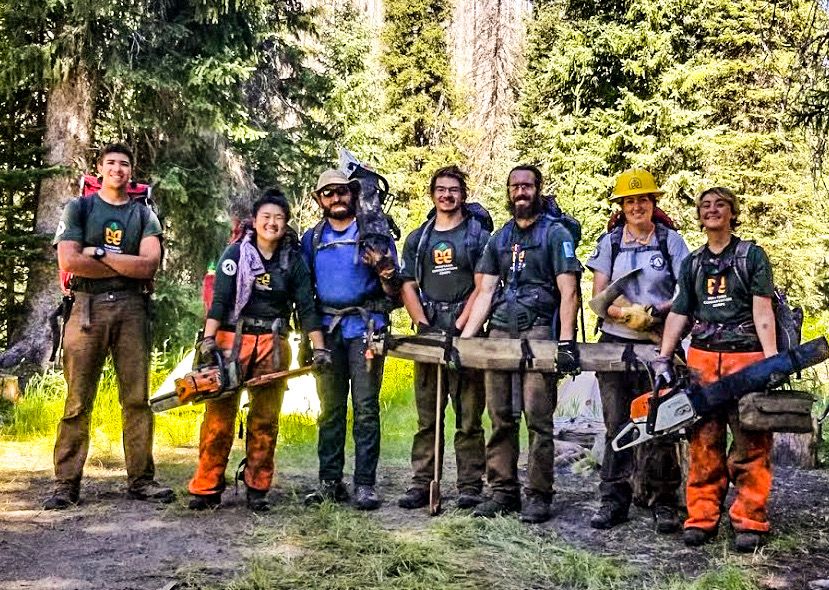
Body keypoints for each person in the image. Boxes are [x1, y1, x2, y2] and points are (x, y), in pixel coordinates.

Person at [46, 143, 173, 509]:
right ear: (100, 168)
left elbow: (148, 266)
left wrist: (99, 253)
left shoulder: (143, 214)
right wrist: (122, 261)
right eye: (112, 162)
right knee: (77, 400)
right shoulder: (79, 208)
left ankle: (141, 481)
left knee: (136, 399)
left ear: (131, 172)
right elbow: (70, 260)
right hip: (85, 307)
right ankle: (65, 484)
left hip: (133, 308)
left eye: (125, 164)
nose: (118, 168)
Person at [188, 190, 327, 512]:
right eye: (266, 216)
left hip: (272, 344)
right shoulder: (234, 255)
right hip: (229, 342)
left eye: (279, 218)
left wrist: (319, 349)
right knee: (218, 418)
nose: (272, 223)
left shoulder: (293, 262)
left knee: (265, 420)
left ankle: (257, 488)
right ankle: (206, 487)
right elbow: (219, 302)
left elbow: (307, 308)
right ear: (255, 220)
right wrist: (208, 342)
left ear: (286, 223)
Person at [656, 187, 777, 553]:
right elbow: (680, 311)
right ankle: (702, 518)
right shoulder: (692, 263)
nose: (712, 211)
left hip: (747, 361)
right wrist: (664, 356)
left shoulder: (751, 256)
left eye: (720, 205)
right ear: (699, 215)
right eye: (705, 206)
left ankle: (749, 519)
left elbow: (762, 311)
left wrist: (772, 361)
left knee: (751, 444)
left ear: (732, 212)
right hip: (703, 361)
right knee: (703, 443)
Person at [460, 165, 581, 523]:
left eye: (527, 185)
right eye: (515, 186)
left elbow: (569, 290)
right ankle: (503, 491)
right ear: (509, 192)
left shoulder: (555, 234)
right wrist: (465, 342)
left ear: (538, 190)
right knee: (499, 416)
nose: (521, 192)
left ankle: (539, 494)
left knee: (538, 420)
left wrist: (566, 342)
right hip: (499, 332)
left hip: (539, 332)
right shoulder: (500, 237)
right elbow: (484, 290)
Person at [585, 168, 689, 532]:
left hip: (659, 344)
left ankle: (664, 500)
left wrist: (655, 314)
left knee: (661, 422)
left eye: (643, 199)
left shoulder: (671, 242)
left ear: (652, 202)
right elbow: (598, 298)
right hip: (615, 346)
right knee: (618, 425)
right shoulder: (610, 242)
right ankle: (613, 499)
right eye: (630, 201)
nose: (637, 206)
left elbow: (686, 291)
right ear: (621, 206)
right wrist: (625, 314)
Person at [302, 169, 401, 510]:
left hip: (366, 330)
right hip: (328, 333)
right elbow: (304, 292)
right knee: (329, 410)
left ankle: (364, 484)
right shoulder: (312, 239)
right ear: (319, 200)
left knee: (365, 410)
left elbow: (393, 291)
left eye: (342, 191)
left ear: (353, 193)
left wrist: (385, 271)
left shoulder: (374, 233)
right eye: (328, 193)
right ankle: (330, 481)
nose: (336, 198)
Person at [397, 166, 489, 510]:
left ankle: (469, 485)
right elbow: (407, 284)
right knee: (428, 417)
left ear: (463, 194)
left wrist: (464, 325)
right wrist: (421, 323)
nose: (447, 195)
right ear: (432, 194)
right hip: (428, 330)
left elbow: (484, 286)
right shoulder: (418, 238)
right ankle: (423, 481)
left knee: (468, 416)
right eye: (441, 189)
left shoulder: (477, 236)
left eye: (453, 190)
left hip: (467, 332)